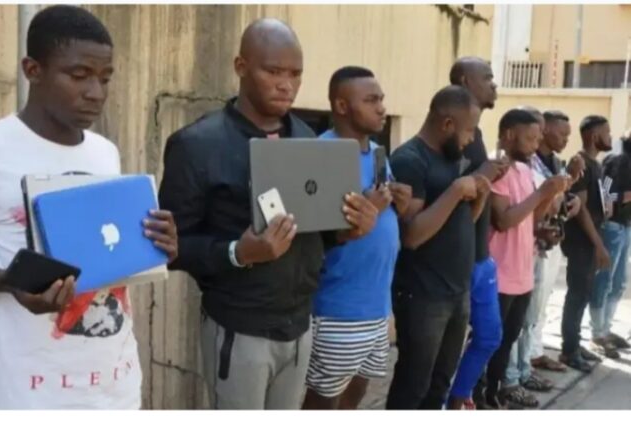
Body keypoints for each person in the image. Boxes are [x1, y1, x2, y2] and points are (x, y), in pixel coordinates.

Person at [158, 19, 378, 410]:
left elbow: (317, 232)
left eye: (295, 74)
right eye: (273, 71)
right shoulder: (197, 145)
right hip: (239, 328)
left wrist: (349, 229)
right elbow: (169, 249)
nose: (286, 85)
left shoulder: (308, 140)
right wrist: (238, 253)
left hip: (300, 324)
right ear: (241, 66)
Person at [0, 5, 178, 409]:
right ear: (33, 70)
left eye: (105, 78)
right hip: (27, 395)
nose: (96, 93)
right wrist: (12, 283)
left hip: (115, 389)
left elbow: (108, 254)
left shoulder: (105, 153)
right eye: (79, 75)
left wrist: (157, 246)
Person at [302, 66, 412, 410]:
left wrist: (399, 204)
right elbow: (315, 232)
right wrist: (372, 207)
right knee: (322, 404)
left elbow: (382, 213)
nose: (382, 108)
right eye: (371, 100)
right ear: (341, 105)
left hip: (376, 306)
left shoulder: (377, 153)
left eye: (381, 99)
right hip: (338, 309)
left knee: (355, 397)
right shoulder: (321, 154)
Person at [385, 85, 491, 410]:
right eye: (469, 130)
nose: (471, 139)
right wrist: (456, 191)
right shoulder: (410, 160)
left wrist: (479, 197)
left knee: (440, 385)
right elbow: (412, 235)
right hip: (423, 295)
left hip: (456, 291)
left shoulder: (450, 158)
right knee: (413, 386)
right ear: (447, 124)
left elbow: (460, 222)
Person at [484, 109, 569, 409]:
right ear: (509, 135)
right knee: (490, 341)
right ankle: (481, 395)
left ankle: (496, 392)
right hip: (500, 272)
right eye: (531, 138)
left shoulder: (523, 170)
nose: (536, 145)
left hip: (522, 271)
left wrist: (548, 199)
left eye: (538, 138)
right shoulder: (497, 168)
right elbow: (503, 220)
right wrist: (542, 192)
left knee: (508, 338)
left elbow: (530, 219)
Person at [504, 109, 583, 404]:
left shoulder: (550, 163)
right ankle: (510, 378)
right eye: (533, 134)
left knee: (531, 315)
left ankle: (523, 370)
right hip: (517, 252)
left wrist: (567, 193)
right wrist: (548, 201)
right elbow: (511, 215)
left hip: (540, 245)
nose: (537, 140)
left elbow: (550, 202)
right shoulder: (509, 167)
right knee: (514, 322)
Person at [446, 57, 510, 410]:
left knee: (490, 336)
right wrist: (484, 173)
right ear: (463, 81)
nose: (493, 84)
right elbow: (449, 194)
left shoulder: (478, 135)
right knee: (446, 350)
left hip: (481, 257)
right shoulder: (449, 132)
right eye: (486, 78)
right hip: (458, 262)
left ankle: (459, 397)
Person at [560, 115, 613, 373]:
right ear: (594, 136)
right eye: (607, 132)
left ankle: (575, 343)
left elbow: (595, 203)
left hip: (592, 239)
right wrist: (598, 245)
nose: (610, 138)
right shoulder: (580, 163)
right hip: (581, 241)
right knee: (577, 294)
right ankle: (569, 350)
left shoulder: (596, 165)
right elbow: (580, 211)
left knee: (584, 294)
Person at [589, 131, 631, 358]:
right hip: (613, 226)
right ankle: (597, 333)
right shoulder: (616, 161)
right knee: (604, 280)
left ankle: (606, 328)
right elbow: (605, 193)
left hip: (626, 226)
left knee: (619, 282)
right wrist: (625, 197)